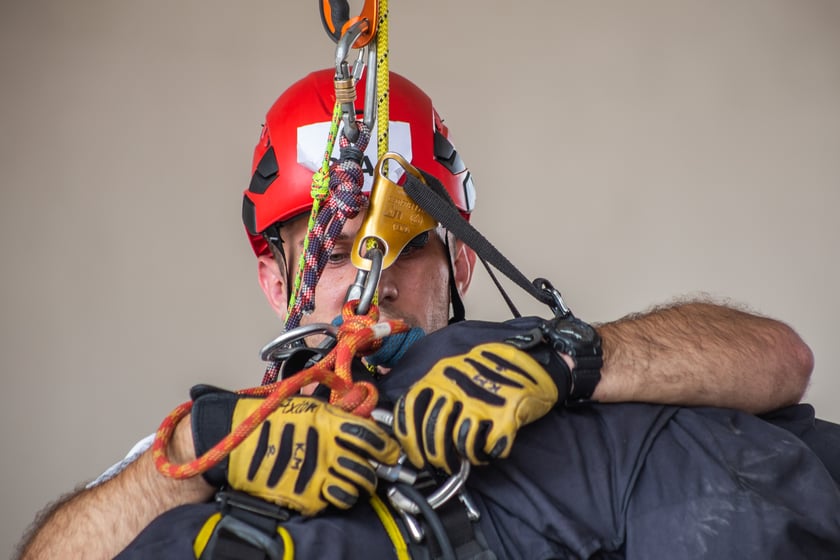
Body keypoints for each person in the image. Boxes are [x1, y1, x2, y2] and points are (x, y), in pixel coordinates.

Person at [16, 69, 836, 560]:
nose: (372, 284)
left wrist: (565, 361)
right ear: (277, 281)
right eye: (335, 249)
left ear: (463, 261)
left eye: (407, 247)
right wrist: (197, 447)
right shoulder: (197, 456)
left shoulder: (559, 394)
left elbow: (780, 359)